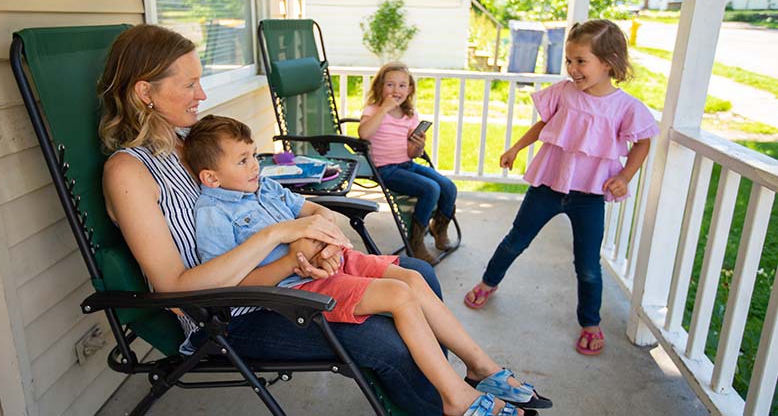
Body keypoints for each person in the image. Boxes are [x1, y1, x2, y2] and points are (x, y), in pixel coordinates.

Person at [96, 24, 544, 415]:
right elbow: (173, 285)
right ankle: (444, 404)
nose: (203, 94)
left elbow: (274, 200)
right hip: (234, 312)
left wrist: (321, 236)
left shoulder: (198, 140)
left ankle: (461, 380)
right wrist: (286, 241)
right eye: (190, 84)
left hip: (281, 275)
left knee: (417, 271)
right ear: (144, 91)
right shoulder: (130, 170)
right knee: (386, 340)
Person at [183, 115, 553, 416]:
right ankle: (456, 396)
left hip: (331, 260)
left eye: (253, 155)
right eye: (243, 160)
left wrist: (326, 240)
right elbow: (236, 284)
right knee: (398, 295)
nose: (254, 166)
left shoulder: (264, 187)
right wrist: (298, 255)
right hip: (297, 287)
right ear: (211, 177)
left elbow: (312, 210)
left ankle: (480, 367)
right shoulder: (214, 214)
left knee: (411, 276)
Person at [463, 19, 660, 356]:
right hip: (548, 187)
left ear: (608, 62)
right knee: (515, 241)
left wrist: (625, 176)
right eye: (569, 60)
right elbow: (543, 125)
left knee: (586, 263)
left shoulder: (625, 107)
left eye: (580, 61)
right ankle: (488, 282)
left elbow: (643, 142)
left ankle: (590, 321)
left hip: (590, 196)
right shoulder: (564, 92)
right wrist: (516, 148)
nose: (572, 68)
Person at [358, 62, 458, 265]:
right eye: (390, 85)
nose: (396, 90)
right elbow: (363, 134)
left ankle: (439, 228)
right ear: (380, 87)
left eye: (402, 85)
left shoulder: (410, 115)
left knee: (448, 186)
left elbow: (412, 153)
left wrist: (418, 146)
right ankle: (416, 241)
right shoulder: (373, 110)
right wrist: (384, 109)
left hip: (406, 164)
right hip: (385, 169)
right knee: (431, 189)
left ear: (410, 89)